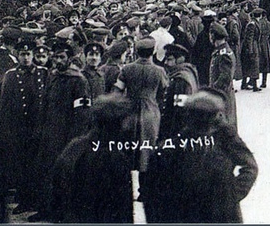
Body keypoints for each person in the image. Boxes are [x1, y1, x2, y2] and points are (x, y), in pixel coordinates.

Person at [142, 88, 258, 223]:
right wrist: (230, 197)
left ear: (187, 115)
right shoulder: (219, 149)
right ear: (215, 117)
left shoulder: (166, 151)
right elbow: (250, 167)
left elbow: (150, 197)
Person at [48, 94, 135, 223]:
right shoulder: (115, 158)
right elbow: (122, 211)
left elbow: (55, 195)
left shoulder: (73, 147)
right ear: (116, 125)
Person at [30, 41, 92, 220]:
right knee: (46, 172)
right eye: (55, 57)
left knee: (65, 174)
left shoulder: (78, 80)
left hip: (66, 135)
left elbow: (82, 112)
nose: (58, 61)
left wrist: (75, 139)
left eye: (61, 57)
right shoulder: (54, 76)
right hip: (49, 134)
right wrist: (40, 129)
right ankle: (46, 210)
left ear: (70, 59)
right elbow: (45, 105)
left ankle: (62, 212)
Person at [0, 39, 49, 213]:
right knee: (21, 165)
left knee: (38, 165)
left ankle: (36, 200)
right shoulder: (11, 75)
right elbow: (5, 105)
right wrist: (6, 130)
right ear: (17, 56)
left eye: (28, 54)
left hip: (39, 126)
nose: (26, 58)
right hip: (19, 128)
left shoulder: (43, 73)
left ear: (33, 55)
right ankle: (24, 200)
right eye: (22, 54)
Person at [113, 36, 169, 172]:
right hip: (151, 111)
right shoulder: (159, 71)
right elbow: (164, 93)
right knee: (148, 146)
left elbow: (117, 91)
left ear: (137, 51)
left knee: (129, 146)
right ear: (153, 51)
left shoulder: (127, 69)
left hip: (130, 111)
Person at [159, 43, 199, 139]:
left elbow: (180, 111)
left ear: (179, 60)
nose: (165, 63)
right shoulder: (187, 73)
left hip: (175, 129)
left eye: (169, 60)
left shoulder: (180, 79)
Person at [209, 22, 238, 129]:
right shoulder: (222, 51)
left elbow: (225, 78)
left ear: (213, 36)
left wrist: (213, 91)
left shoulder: (223, 53)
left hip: (222, 97)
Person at [241, 8, 262, 91]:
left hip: (254, 45)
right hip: (253, 46)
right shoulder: (252, 24)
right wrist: (250, 50)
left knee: (249, 65)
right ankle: (254, 85)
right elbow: (249, 38)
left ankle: (245, 83)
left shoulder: (254, 23)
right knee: (254, 65)